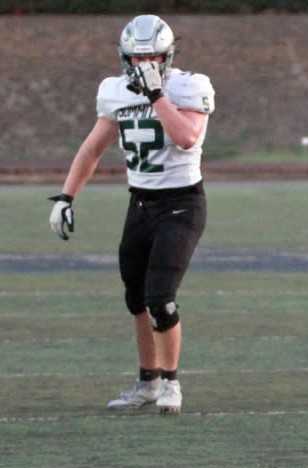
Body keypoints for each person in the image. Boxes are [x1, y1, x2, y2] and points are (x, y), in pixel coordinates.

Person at [48, 14, 215, 413]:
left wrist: (158, 96)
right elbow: (92, 149)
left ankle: (172, 384)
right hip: (139, 203)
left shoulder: (189, 86)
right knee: (136, 299)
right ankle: (148, 382)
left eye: (155, 56)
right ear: (125, 58)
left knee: (161, 299)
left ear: (169, 55)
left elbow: (187, 138)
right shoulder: (114, 92)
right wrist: (65, 196)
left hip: (181, 204)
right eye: (138, 58)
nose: (147, 65)